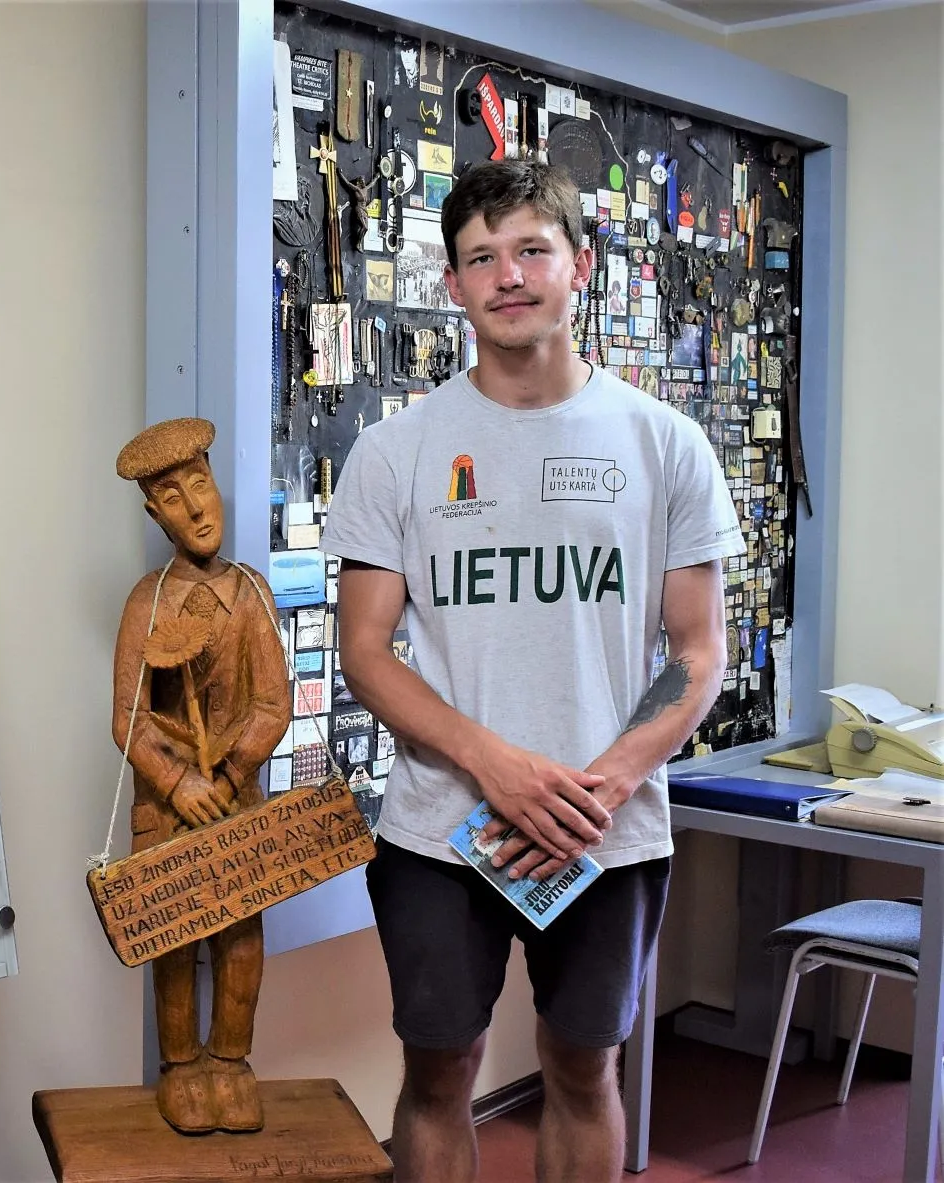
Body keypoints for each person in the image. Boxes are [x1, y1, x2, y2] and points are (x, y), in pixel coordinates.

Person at [320, 159, 741, 1183]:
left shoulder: (665, 445)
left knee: (580, 1067)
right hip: (438, 830)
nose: (507, 275)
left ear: (577, 267)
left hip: (607, 829)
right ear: (454, 286)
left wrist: (602, 782)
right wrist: (496, 765)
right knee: (438, 1071)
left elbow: (697, 650)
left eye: (530, 250)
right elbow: (365, 649)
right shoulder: (395, 452)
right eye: (480, 258)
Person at [110, 418, 290, 1134]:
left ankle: (231, 1059)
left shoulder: (249, 594)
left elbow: (273, 702)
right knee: (174, 933)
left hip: (236, 801)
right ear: (154, 514)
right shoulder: (144, 604)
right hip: (166, 807)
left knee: (240, 936)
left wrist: (234, 768)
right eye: (171, 497)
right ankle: (180, 1064)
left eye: (200, 485)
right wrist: (178, 781)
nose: (194, 507)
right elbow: (126, 716)